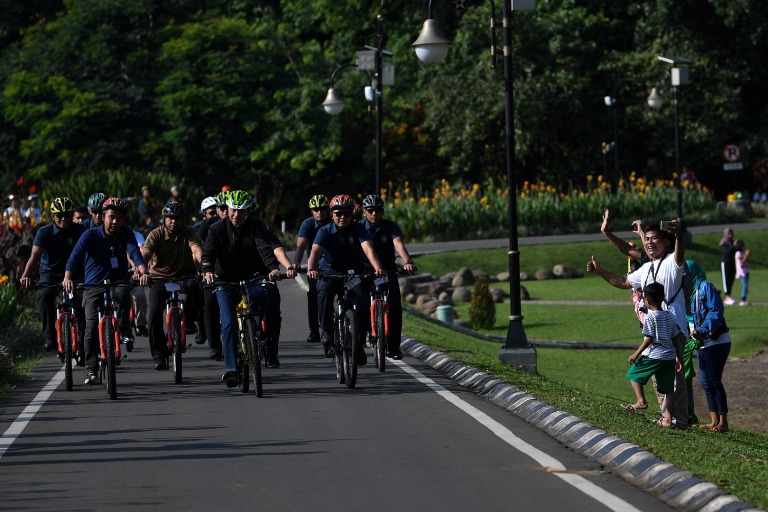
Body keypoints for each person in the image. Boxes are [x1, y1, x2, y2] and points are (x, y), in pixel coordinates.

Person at [586, 219, 690, 427]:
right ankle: (667, 418)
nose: (650, 242)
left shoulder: (671, 262)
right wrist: (600, 271)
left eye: (655, 239)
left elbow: (680, 254)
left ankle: (680, 419)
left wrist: (678, 235)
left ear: (666, 243)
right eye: (648, 239)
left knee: (675, 378)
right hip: (653, 327)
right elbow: (624, 282)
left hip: (674, 328)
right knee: (661, 377)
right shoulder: (645, 268)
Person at [201, 190, 283, 387]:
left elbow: (264, 248)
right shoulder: (216, 229)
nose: (237, 215)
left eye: (241, 211)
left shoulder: (254, 227)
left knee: (262, 298)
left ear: (247, 212)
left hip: (250, 278)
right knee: (228, 323)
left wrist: (273, 268)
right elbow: (208, 254)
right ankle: (231, 369)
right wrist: (208, 270)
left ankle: (255, 336)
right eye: (233, 210)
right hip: (224, 282)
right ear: (227, 210)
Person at [63, 198, 149, 384]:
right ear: (103, 217)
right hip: (93, 286)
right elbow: (75, 257)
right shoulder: (89, 235)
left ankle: (124, 328)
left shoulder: (126, 234)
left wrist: (143, 271)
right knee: (91, 326)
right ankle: (91, 369)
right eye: (111, 217)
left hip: (117, 281)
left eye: (119, 218)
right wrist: (68, 277)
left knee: (124, 293)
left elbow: (135, 253)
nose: (115, 221)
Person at [306, 194, 384, 362]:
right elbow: (315, 252)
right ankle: (326, 331)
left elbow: (369, 250)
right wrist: (312, 269)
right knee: (324, 293)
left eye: (346, 214)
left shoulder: (359, 229)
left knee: (362, 304)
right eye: (338, 214)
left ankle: (359, 344)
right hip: (330, 272)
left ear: (352, 214)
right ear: (332, 214)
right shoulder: (324, 231)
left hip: (353, 274)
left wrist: (378, 269)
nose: (342, 217)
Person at [20, 197, 87, 351]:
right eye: (59, 215)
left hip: (76, 274)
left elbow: (91, 254)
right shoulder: (44, 232)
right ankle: (50, 337)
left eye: (68, 215)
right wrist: (26, 276)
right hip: (51, 273)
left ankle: (84, 341)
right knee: (45, 296)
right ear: (52, 216)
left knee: (83, 302)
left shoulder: (81, 231)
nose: (64, 218)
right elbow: (34, 256)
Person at [142, 202, 202, 370]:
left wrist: (204, 266)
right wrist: (141, 270)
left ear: (182, 220)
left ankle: (189, 320)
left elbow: (196, 249)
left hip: (185, 276)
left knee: (197, 288)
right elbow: (146, 253)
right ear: (164, 219)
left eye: (177, 218)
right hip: (159, 278)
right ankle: (159, 355)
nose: (173, 222)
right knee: (154, 313)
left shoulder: (189, 232)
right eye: (170, 218)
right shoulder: (156, 234)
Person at [360, 194, 416, 359]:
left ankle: (393, 348)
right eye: (370, 211)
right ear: (364, 212)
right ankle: (359, 338)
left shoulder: (391, 226)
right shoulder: (359, 228)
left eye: (377, 210)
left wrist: (408, 261)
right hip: (365, 272)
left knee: (394, 307)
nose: (374, 214)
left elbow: (398, 244)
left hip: (388, 272)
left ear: (382, 211)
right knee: (359, 304)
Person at [624, 282, 685, 428]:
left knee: (633, 375)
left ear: (648, 301)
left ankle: (641, 401)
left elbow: (649, 338)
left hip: (654, 355)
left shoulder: (651, 317)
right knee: (668, 389)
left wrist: (636, 354)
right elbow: (676, 337)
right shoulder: (668, 316)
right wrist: (678, 357)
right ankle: (668, 419)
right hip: (669, 356)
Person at [687, 261, 731, 432]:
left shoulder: (706, 287)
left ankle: (723, 423)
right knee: (705, 383)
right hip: (702, 342)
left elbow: (716, 310)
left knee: (714, 380)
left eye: (686, 274)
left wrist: (703, 329)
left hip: (717, 340)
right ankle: (714, 421)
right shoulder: (688, 293)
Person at [293, 194, 331, 344]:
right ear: (311, 211)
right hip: (314, 266)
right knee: (313, 295)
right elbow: (301, 246)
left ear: (328, 209)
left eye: (322, 209)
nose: (319, 212)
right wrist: (295, 264)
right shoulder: (308, 224)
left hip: (333, 265)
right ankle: (314, 331)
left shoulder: (334, 222)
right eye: (316, 209)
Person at [719, 228, 736, 305]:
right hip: (725, 263)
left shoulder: (733, 242)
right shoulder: (724, 243)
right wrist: (734, 247)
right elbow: (726, 252)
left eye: (731, 233)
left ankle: (729, 296)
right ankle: (726, 297)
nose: (730, 235)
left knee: (731, 280)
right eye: (729, 233)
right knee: (726, 280)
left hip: (733, 263)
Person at [733, 240, 750, 306]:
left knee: (746, 286)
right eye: (743, 246)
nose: (744, 247)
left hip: (745, 271)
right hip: (742, 272)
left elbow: (746, 261)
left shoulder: (742, 253)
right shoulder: (738, 253)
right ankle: (743, 300)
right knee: (745, 285)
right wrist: (746, 255)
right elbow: (742, 263)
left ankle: (744, 299)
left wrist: (747, 255)